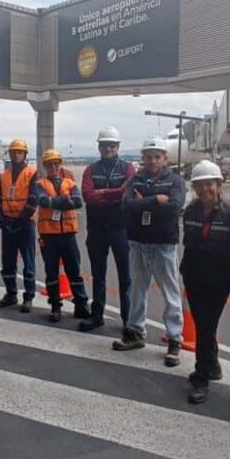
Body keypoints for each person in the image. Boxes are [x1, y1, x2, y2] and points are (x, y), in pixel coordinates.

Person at [113, 137, 186, 367]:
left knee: (170, 293)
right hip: (138, 243)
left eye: (157, 157)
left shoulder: (176, 181)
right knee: (137, 290)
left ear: (165, 158)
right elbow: (126, 205)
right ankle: (135, 332)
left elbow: (175, 207)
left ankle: (174, 339)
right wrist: (157, 201)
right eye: (148, 157)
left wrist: (144, 201)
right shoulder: (135, 179)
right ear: (143, 158)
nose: (153, 161)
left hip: (164, 244)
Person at [180, 160, 230, 403]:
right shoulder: (191, 212)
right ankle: (212, 365)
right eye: (200, 185)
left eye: (209, 184)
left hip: (218, 280)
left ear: (219, 184)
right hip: (194, 276)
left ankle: (201, 377)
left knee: (205, 326)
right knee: (204, 325)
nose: (205, 189)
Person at [80, 126, 136, 333]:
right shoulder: (90, 170)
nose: (108, 149)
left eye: (111, 145)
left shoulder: (128, 168)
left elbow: (127, 192)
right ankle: (97, 315)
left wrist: (102, 193)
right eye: (104, 145)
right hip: (97, 230)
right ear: (99, 147)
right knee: (98, 275)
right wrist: (115, 195)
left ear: (118, 147)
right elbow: (87, 195)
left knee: (125, 277)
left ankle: (128, 319)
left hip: (121, 229)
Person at [34, 149, 91, 323]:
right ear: (45, 166)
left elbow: (78, 202)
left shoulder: (70, 183)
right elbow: (43, 201)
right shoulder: (40, 184)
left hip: (68, 235)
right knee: (51, 272)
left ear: (60, 164)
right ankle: (55, 306)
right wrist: (65, 200)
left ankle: (81, 304)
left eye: (56, 163)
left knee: (74, 271)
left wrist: (55, 202)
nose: (53, 167)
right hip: (48, 236)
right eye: (49, 164)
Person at [0, 139, 37, 313]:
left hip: (25, 225)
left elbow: (33, 200)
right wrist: (2, 219)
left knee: (28, 262)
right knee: (7, 262)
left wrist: (20, 220)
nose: (16, 155)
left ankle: (28, 297)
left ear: (25, 154)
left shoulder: (32, 173)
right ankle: (11, 293)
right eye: (13, 152)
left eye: (19, 152)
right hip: (8, 224)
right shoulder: (4, 176)